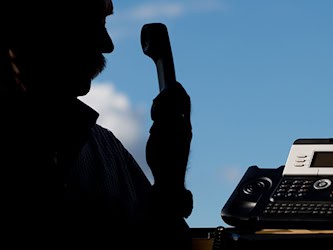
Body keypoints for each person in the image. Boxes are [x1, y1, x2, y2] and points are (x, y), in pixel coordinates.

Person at [1, 0, 193, 247]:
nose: (108, 44)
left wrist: (169, 183)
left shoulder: (107, 150)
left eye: (104, 23)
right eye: (90, 23)